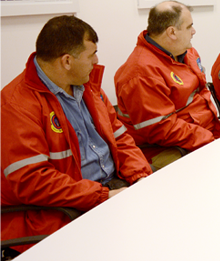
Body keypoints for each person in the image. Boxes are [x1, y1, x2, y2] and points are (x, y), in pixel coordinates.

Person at [0, 16, 152, 256]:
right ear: (67, 61)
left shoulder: (88, 85)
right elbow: (32, 182)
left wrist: (141, 177)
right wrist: (103, 196)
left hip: (110, 191)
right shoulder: (16, 105)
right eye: (91, 54)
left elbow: (120, 138)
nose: (96, 60)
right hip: (63, 209)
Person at [114, 0, 220, 169]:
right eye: (189, 27)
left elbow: (201, 96)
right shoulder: (141, 73)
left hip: (203, 135)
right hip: (168, 150)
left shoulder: (186, 52)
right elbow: (162, 129)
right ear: (172, 32)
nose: (194, 31)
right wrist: (210, 139)